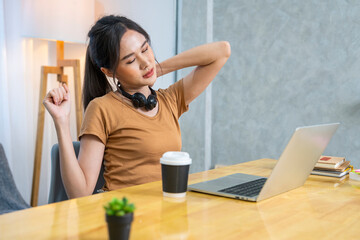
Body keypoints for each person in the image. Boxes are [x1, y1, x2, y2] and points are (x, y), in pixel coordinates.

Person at [43, 15, 231, 199]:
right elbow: (80, 192)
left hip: (166, 213)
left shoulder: (171, 100)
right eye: (131, 60)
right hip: (125, 215)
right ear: (108, 71)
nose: (145, 62)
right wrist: (61, 122)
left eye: (145, 49)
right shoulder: (102, 108)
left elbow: (222, 51)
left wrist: (158, 68)